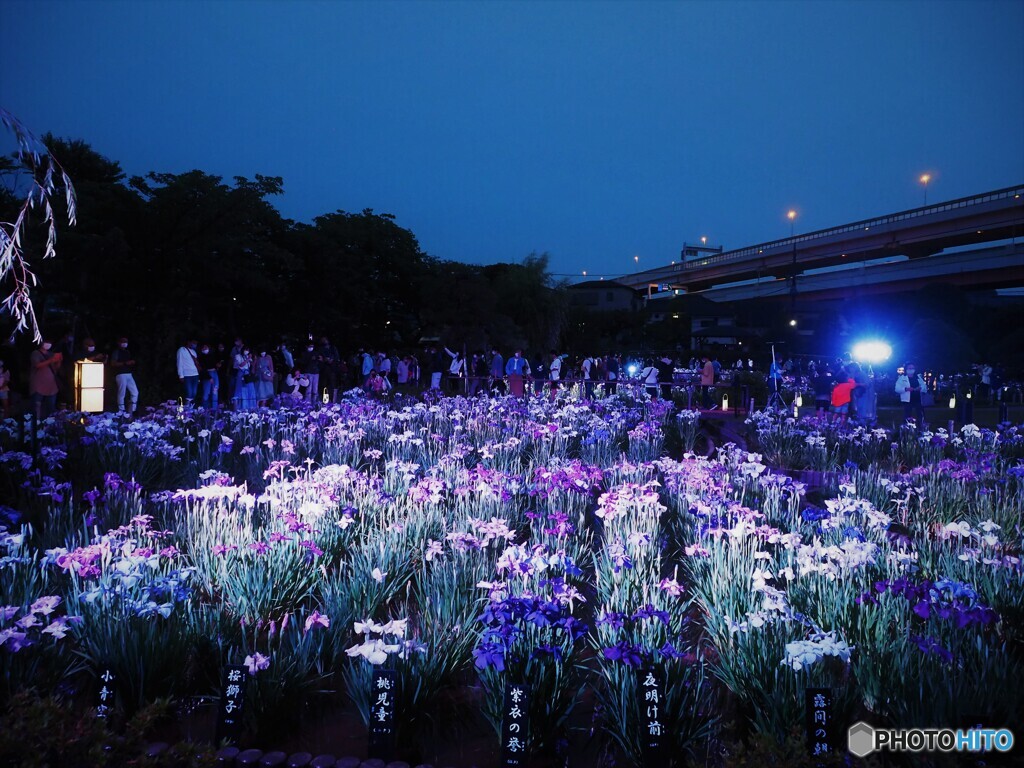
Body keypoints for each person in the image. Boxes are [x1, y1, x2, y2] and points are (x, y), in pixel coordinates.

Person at [109, 337, 139, 415]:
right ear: (118, 343)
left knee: (135, 392)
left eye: (126, 342)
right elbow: (113, 363)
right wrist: (125, 363)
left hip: (129, 373)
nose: (125, 343)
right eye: (123, 342)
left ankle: (133, 409)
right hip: (120, 374)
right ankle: (121, 410)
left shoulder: (127, 352)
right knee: (122, 392)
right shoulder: (116, 352)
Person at [176, 339, 200, 406]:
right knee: (189, 392)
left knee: (194, 393)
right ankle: (187, 408)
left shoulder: (194, 352)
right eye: (194, 342)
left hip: (195, 374)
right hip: (187, 375)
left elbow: (196, 364)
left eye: (196, 343)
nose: (195, 344)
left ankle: (191, 407)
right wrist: (181, 375)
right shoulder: (182, 350)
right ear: (189, 342)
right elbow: (179, 363)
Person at [198, 343, 220, 410]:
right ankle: (205, 410)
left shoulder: (212, 355)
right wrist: (208, 377)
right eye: (203, 348)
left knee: (215, 391)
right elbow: (202, 369)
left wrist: (217, 366)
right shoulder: (201, 357)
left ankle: (215, 410)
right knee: (206, 393)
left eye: (206, 347)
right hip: (207, 374)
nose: (205, 349)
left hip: (215, 373)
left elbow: (214, 364)